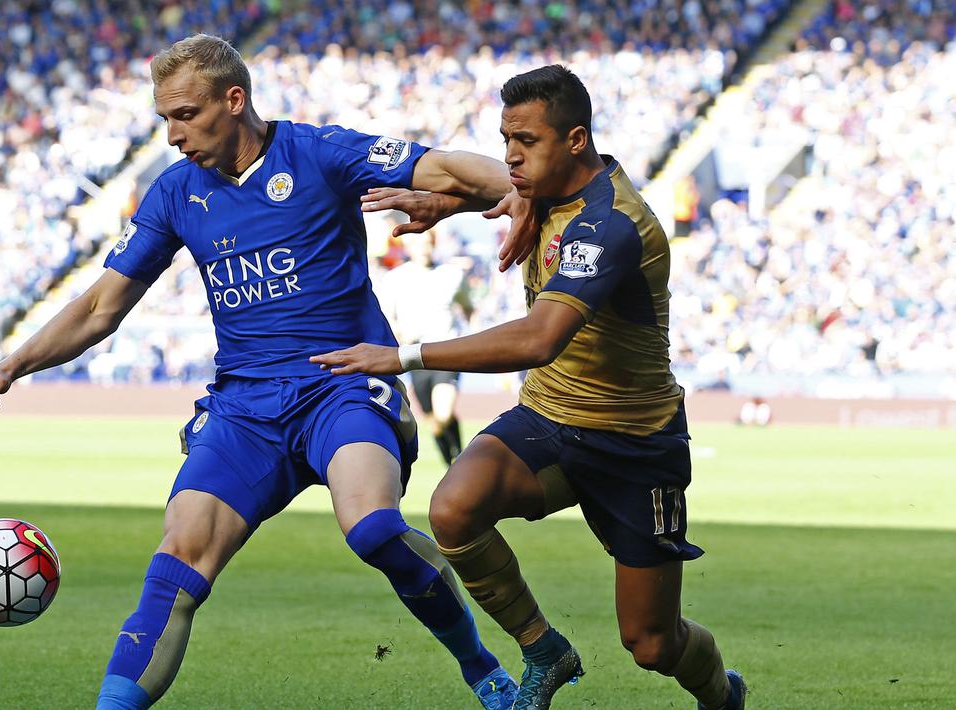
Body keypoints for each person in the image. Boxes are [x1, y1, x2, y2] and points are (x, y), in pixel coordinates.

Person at [0, 34, 524, 710]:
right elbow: (99, 306)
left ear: (234, 100)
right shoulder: (173, 193)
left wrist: (520, 190)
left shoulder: (317, 153)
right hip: (243, 406)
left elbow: (446, 166)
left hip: (341, 383)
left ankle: (481, 668)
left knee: (371, 527)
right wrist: (9, 367)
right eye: (163, 118)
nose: (171, 136)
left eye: (184, 115)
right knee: (177, 561)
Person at [312, 65, 746, 710]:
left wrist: (405, 356)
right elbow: (504, 190)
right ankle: (545, 650)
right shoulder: (543, 182)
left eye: (526, 141)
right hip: (549, 419)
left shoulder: (614, 223)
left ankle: (721, 695)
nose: (511, 156)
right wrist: (450, 202)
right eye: (506, 138)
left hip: (635, 444)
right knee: (454, 508)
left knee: (653, 644)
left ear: (575, 141)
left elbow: (539, 338)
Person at [378, 229, 468, 464]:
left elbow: (468, 307)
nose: (423, 248)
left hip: (448, 351)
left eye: (427, 242)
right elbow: (387, 318)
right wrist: (400, 332)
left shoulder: (451, 274)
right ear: (408, 247)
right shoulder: (395, 278)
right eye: (418, 244)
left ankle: (459, 458)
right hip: (415, 356)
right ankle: (451, 462)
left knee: (443, 412)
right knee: (434, 422)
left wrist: (471, 332)